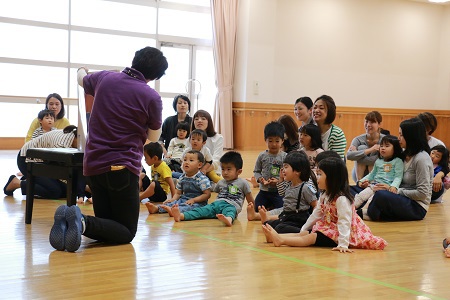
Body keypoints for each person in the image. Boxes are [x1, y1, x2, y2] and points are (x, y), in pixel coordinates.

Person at [48, 46, 168, 252]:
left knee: (107, 226)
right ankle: (81, 220)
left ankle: (74, 223)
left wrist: (82, 69)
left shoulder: (105, 78)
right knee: (127, 232)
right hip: (122, 168)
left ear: (135, 60)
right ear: (155, 75)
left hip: (93, 165)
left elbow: (80, 77)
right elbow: (153, 136)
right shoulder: (151, 97)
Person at [261, 157, 388, 252]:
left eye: (320, 174)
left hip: (343, 234)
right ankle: (276, 237)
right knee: (305, 234)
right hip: (330, 228)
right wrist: (304, 229)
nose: (317, 177)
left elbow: (344, 222)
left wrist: (343, 244)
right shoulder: (325, 195)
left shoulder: (341, 199)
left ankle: (281, 240)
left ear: (332, 178)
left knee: (310, 238)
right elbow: (316, 214)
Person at [367, 117, 433, 221]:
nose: (398, 138)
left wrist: (394, 190)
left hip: (416, 206)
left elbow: (422, 193)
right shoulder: (402, 153)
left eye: (401, 135)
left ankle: (365, 213)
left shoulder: (421, 159)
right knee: (360, 189)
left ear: (411, 137)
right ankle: (369, 212)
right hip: (399, 197)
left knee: (380, 196)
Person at [172, 151, 255, 227]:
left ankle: (228, 219)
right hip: (216, 204)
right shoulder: (221, 182)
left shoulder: (243, 183)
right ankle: (182, 216)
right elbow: (212, 191)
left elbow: (250, 198)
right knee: (201, 211)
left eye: (229, 169)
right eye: (223, 169)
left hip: (232, 205)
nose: (225, 172)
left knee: (230, 212)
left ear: (239, 171)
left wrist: (253, 209)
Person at [4, 125, 79, 198]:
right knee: (55, 191)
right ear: (78, 138)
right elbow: (59, 172)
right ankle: (17, 183)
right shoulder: (61, 145)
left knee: (67, 191)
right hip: (27, 160)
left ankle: (32, 180)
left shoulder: (71, 135)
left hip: (43, 162)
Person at [260, 151, 317, 233]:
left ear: (297, 171)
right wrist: (280, 179)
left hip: (298, 219)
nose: (283, 170)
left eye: (286, 167)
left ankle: (304, 232)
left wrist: (311, 221)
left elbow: (315, 205)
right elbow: (281, 193)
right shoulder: (289, 184)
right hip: (286, 216)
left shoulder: (305, 188)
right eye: (283, 167)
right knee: (267, 224)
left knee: (279, 228)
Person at [146, 150, 211, 215]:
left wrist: (194, 200)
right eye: (185, 160)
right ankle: (157, 208)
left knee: (189, 208)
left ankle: (174, 211)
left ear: (199, 165)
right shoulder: (182, 177)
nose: (186, 162)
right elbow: (178, 193)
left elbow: (207, 194)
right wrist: (173, 199)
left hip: (198, 202)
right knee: (172, 203)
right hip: (184, 199)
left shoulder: (202, 178)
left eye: (191, 160)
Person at [354, 135, 404, 219]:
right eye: (381, 146)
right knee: (361, 195)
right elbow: (372, 174)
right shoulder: (378, 161)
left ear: (395, 148)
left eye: (387, 146)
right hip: (374, 185)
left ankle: (363, 212)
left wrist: (393, 186)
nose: (383, 148)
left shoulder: (397, 161)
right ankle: (351, 209)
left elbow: (398, 177)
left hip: (385, 188)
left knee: (372, 200)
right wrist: (362, 181)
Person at [252, 121, 287, 212]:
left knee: (281, 208)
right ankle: (270, 206)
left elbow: (288, 175)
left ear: (282, 141)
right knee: (257, 208)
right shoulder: (262, 156)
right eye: (270, 141)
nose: (274, 144)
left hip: (278, 192)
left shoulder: (285, 157)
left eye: (277, 141)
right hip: (264, 191)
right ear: (265, 140)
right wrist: (260, 179)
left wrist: (279, 181)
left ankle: (271, 207)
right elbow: (256, 171)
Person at [346, 111, 386, 182]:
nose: (368, 125)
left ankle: (371, 184)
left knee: (360, 149)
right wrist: (371, 149)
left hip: (377, 173)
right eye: (366, 122)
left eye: (372, 122)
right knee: (362, 147)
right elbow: (348, 156)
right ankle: (360, 183)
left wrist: (358, 155)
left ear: (379, 124)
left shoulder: (384, 140)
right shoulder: (357, 139)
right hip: (358, 173)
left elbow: (385, 159)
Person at [191, 110, 223, 178]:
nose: (199, 121)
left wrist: (203, 170)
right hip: (193, 171)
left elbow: (216, 160)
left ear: (209, 121)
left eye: (203, 118)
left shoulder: (218, 138)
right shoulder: (190, 138)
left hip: (212, 171)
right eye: (196, 119)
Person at [312, 95, 346, 160]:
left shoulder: (337, 133)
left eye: (321, 108)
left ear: (330, 111)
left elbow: (336, 162)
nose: (316, 110)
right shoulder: (308, 130)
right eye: (315, 107)